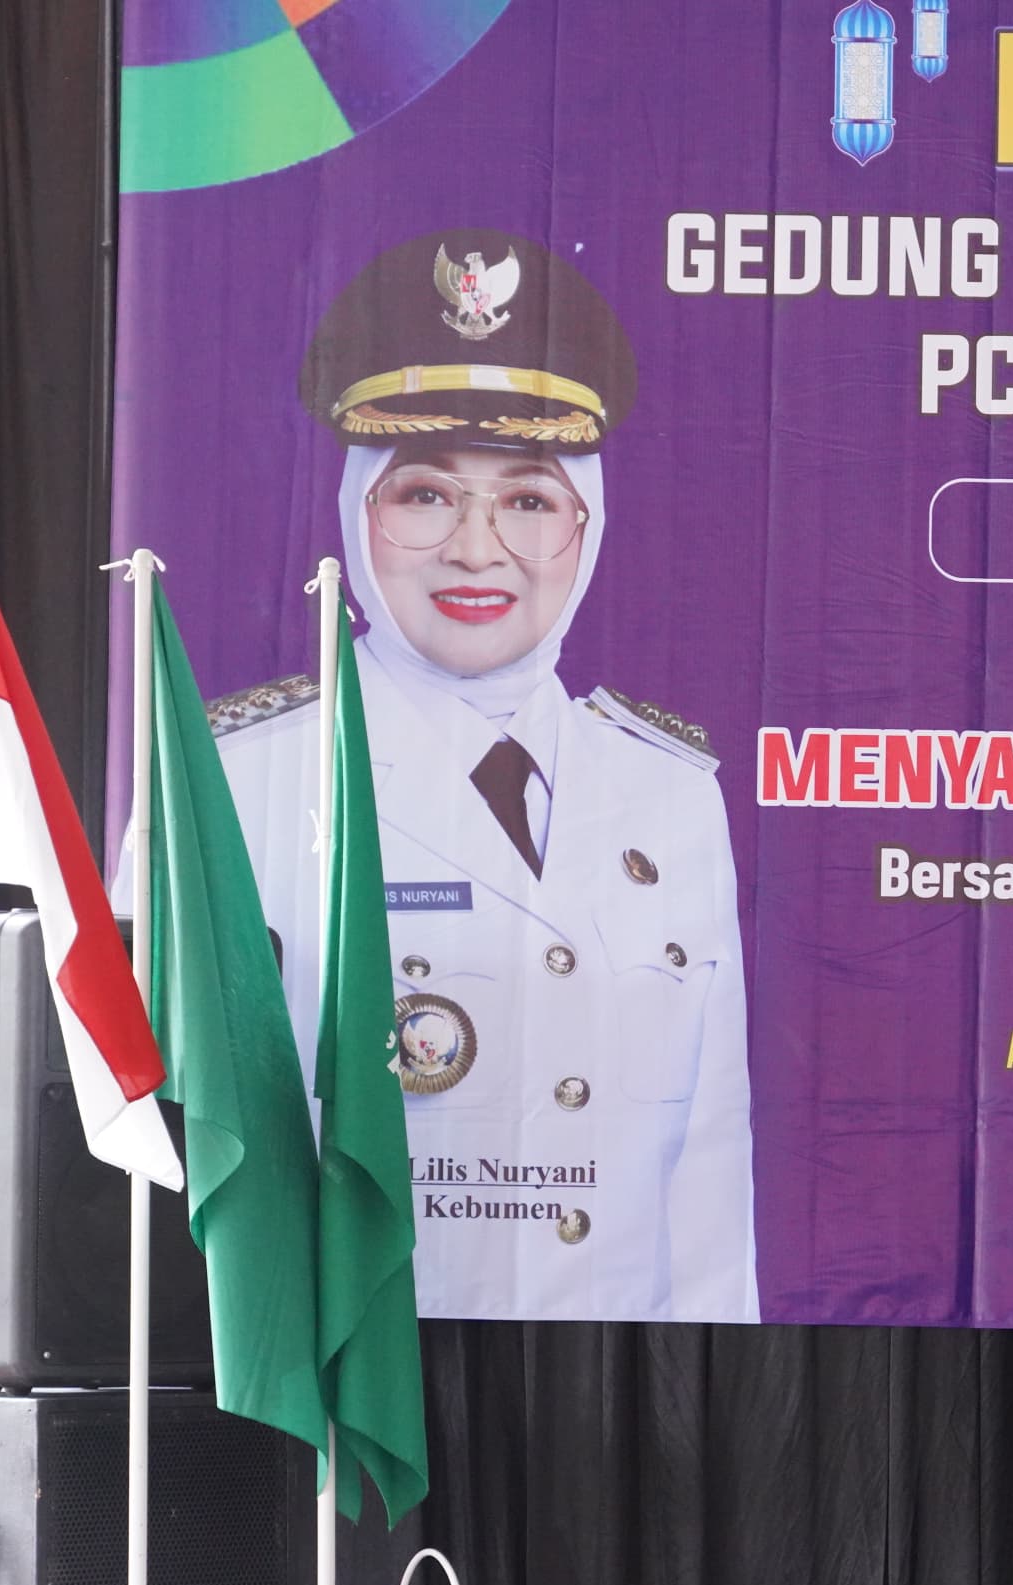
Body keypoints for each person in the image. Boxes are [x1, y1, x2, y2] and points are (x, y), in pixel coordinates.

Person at [212, 228, 757, 1323]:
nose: (475, 548)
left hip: (606, 1386)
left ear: (587, 526)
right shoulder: (239, 780)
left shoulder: (669, 794)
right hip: (361, 1370)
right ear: (359, 514)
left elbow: (707, 1185)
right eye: (424, 495)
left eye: (529, 501)